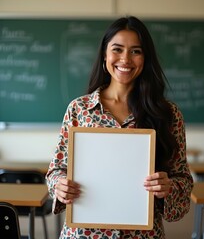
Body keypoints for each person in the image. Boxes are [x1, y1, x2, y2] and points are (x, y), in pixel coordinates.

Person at [46, 16, 193, 239]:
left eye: (136, 51)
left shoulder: (168, 114)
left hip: (142, 234)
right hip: (84, 233)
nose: (126, 58)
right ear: (105, 54)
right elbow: (56, 170)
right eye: (117, 49)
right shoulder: (79, 109)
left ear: (146, 58)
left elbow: (183, 181)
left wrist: (169, 187)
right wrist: (59, 185)